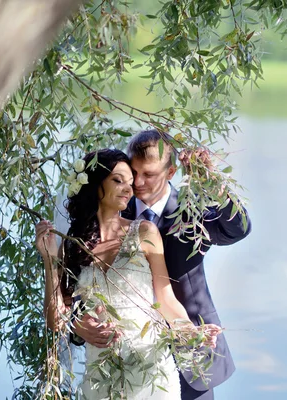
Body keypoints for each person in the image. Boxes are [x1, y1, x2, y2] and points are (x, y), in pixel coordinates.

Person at [71, 131, 252, 400]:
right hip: (126, 360)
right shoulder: (112, 210)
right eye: (134, 173)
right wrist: (77, 325)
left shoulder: (192, 211)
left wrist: (214, 184)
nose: (138, 183)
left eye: (150, 174)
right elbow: (76, 282)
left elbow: (238, 229)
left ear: (170, 172)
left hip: (192, 354)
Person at [35, 149, 222, 399]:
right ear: (95, 183)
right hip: (101, 376)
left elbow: (165, 299)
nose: (128, 189)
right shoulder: (72, 244)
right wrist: (50, 262)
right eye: (118, 180)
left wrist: (190, 332)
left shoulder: (145, 232)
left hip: (151, 370)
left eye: (130, 184)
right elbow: (56, 320)